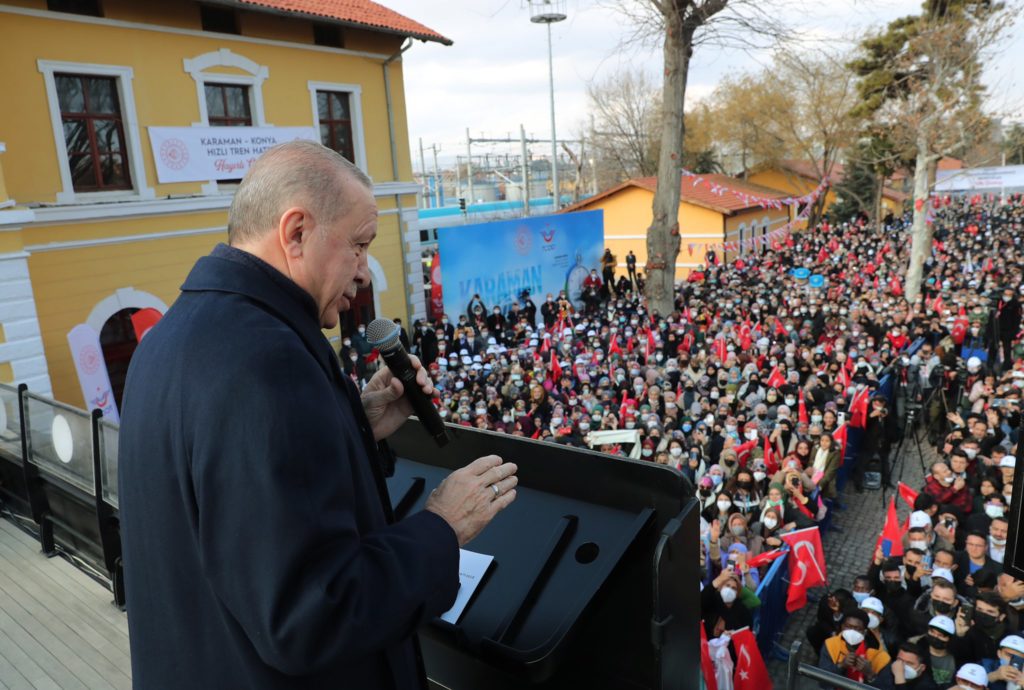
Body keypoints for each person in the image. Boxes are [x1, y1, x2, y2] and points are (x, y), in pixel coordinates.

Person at [118, 142, 519, 689]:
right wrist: (442, 528)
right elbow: (311, 613)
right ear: (296, 232)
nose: (363, 273)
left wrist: (356, 423)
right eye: (358, 245)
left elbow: (230, 512)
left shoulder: (170, 338)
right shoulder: (269, 361)